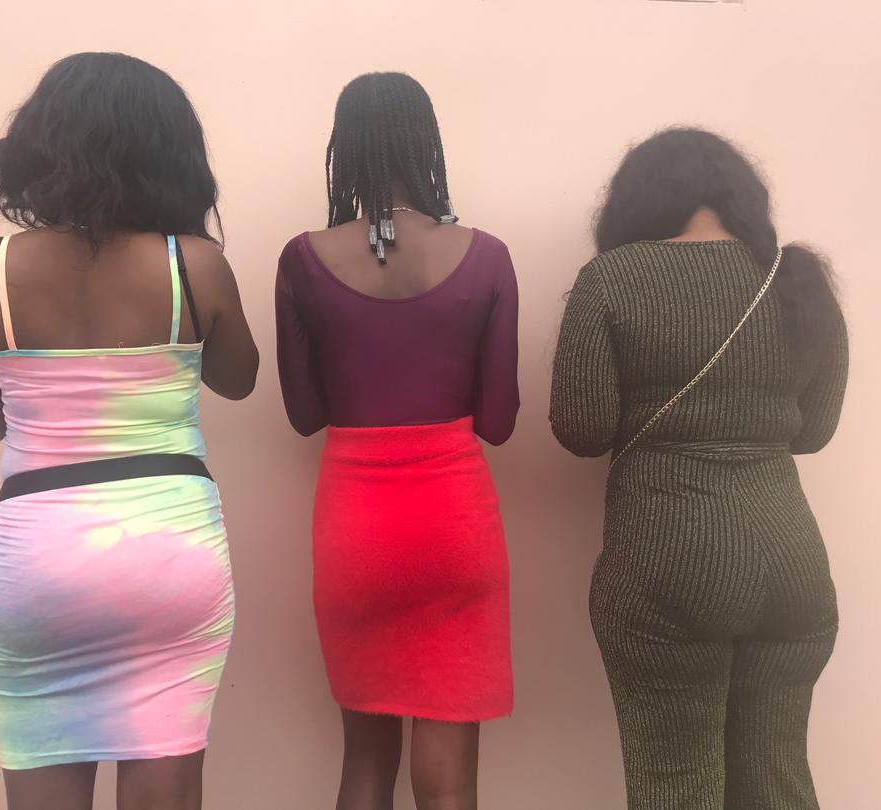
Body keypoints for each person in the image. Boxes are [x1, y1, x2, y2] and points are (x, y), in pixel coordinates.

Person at [0, 52, 258, 810]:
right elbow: (238, 378)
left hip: (39, 559)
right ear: (169, 154)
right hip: (168, 555)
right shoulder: (194, 266)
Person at [550, 127, 848, 810]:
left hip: (667, 561)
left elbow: (581, 430)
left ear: (636, 201)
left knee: (676, 785)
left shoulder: (613, 279)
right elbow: (815, 433)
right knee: (777, 782)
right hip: (794, 562)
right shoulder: (798, 280)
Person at [275, 72, 519, 810]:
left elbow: (305, 415)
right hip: (454, 523)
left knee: (364, 765)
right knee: (449, 784)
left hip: (356, 530)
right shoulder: (487, 256)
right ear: (428, 143)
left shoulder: (302, 259)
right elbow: (499, 421)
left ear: (344, 150)